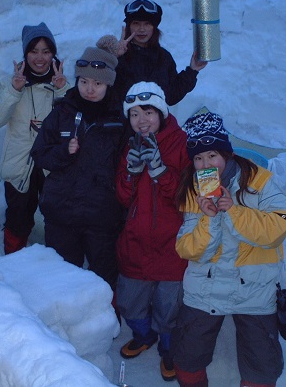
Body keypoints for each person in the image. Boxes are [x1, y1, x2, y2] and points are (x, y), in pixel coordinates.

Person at [170, 107, 286, 387]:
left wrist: (234, 211)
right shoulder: (193, 188)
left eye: (212, 155)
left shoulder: (260, 181)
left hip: (254, 291)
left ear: (226, 153)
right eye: (198, 158)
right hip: (204, 290)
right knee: (186, 360)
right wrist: (210, 219)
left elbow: (276, 230)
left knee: (263, 369)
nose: (205, 164)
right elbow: (188, 249)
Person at [30, 37, 125, 288]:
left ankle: (106, 326)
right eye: (83, 81)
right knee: (62, 282)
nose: (89, 89)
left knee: (103, 283)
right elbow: (39, 153)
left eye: (96, 83)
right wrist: (64, 152)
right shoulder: (62, 112)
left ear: (108, 84)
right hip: (62, 214)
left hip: (102, 218)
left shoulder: (121, 121)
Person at [114, 82, 190, 381]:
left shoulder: (182, 143)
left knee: (169, 307)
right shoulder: (132, 144)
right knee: (130, 302)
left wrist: (162, 174)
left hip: (171, 246)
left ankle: (169, 349)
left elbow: (189, 197)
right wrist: (131, 175)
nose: (141, 120)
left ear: (161, 111)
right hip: (136, 241)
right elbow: (122, 196)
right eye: (133, 114)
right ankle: (144, 335)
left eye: (147, 111)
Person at [0, 22, 70, 255]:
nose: (39, 58)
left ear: (53, 53)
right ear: (25, 53)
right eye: (33, 51)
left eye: (46, 51)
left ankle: (55, 269)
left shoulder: (62, 84)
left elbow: (75, 124)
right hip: (19, 166)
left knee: (57, 220)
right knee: (17, 221)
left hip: (52, 166)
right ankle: (13, 264)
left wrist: (62, 91)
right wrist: (14, 90)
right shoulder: (10, 83)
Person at [112, 0, 208, 107]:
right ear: (129, 27)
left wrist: (192, 70)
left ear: (154, 27)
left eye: (147, 23)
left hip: (154, 122)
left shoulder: (163, 57)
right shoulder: (117, 56)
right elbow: (102, 89)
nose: (141, 29)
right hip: (123, 121)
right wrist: (114, 58)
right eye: (136, 23)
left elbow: (171, 97)